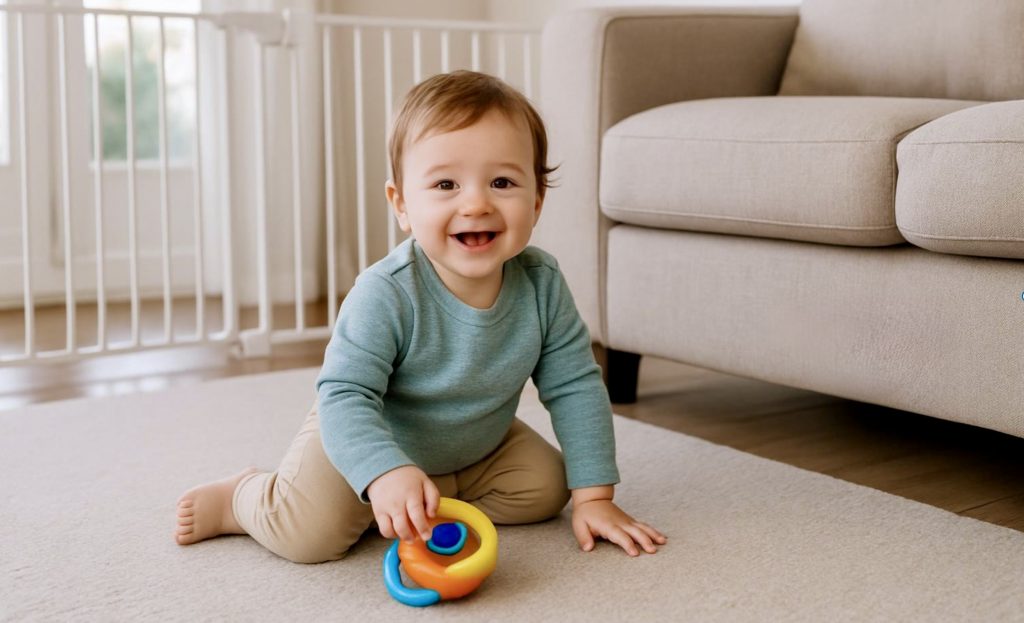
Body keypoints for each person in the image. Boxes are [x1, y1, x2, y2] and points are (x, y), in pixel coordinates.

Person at [175, 70, 667, 562]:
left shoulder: (542, 283)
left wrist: (594, 497)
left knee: (547, 488)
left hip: (477, 447)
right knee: (309, 537)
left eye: (501, 182)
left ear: (536, 202)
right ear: (402, 205)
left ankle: (424, 493)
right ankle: (243, 497)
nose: (476, 203)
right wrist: (384, 472)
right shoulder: (386, 292)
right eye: (446, 184)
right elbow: (343, 395)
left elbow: (575, 386)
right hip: (366, 434)